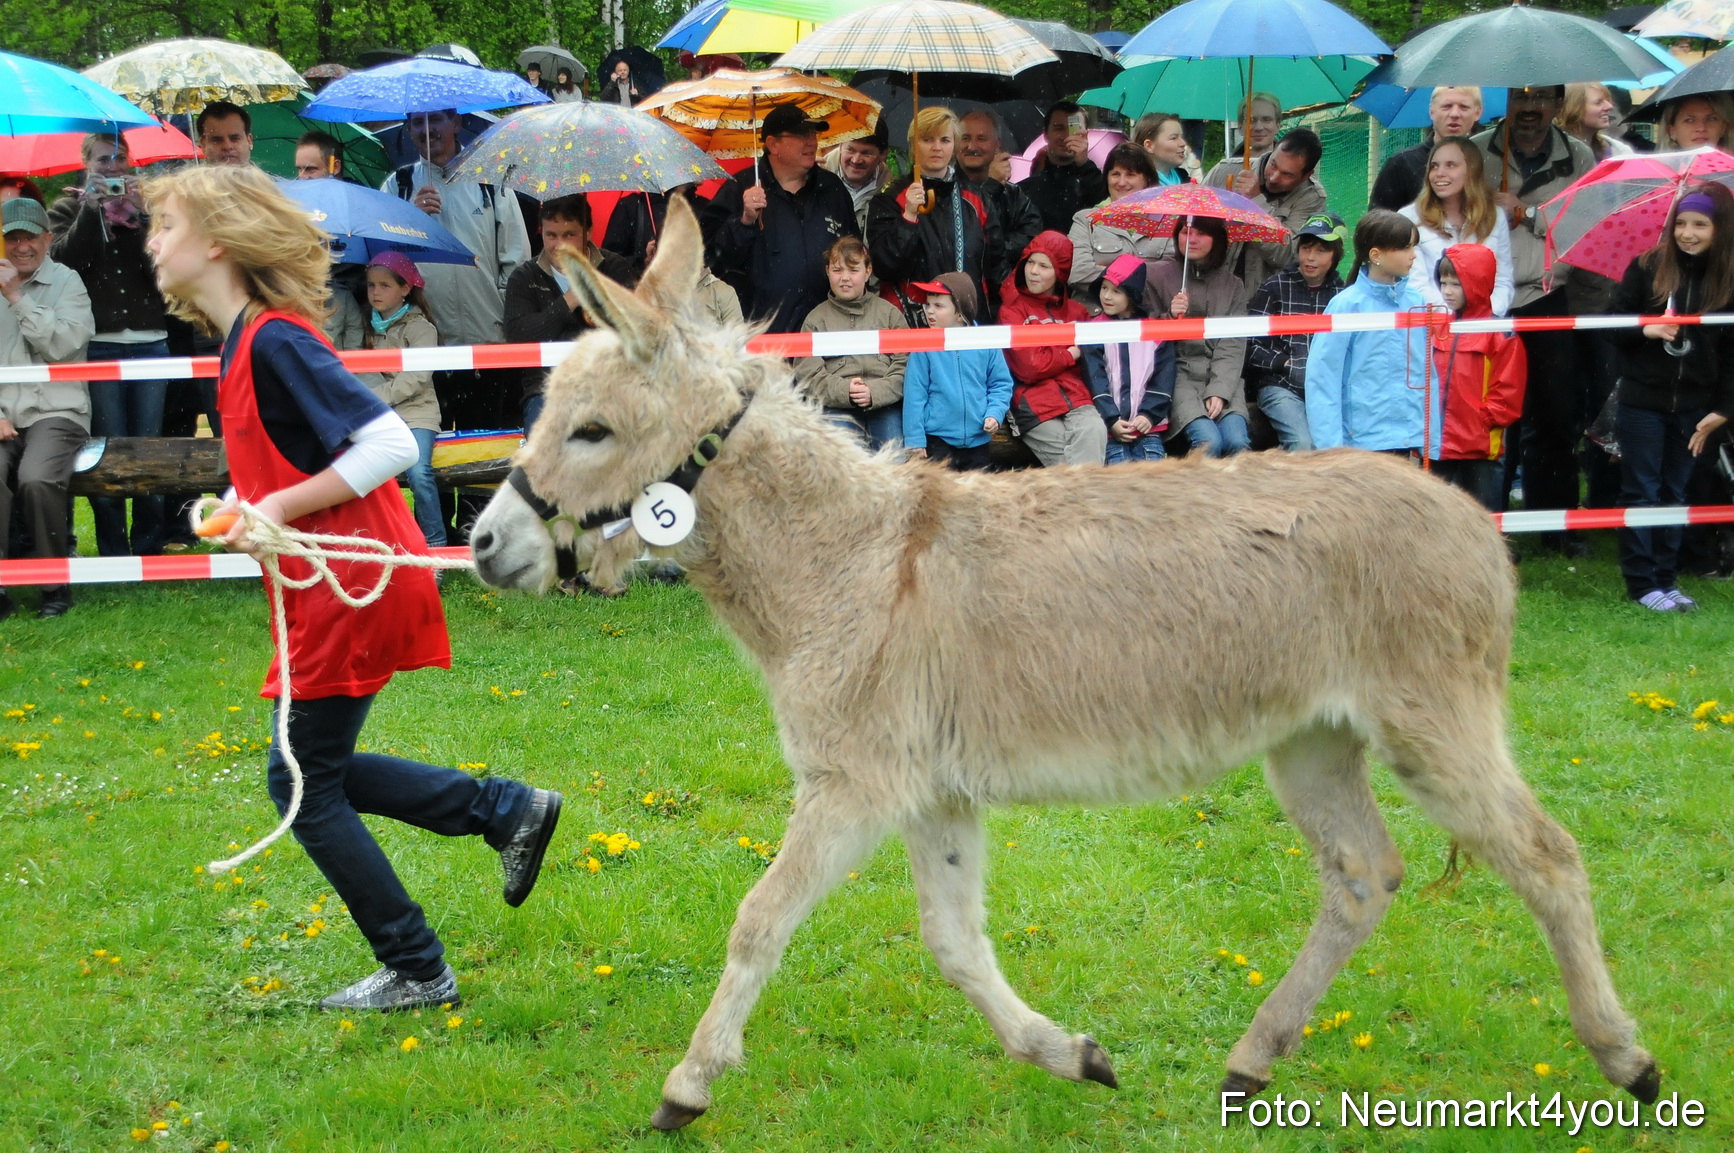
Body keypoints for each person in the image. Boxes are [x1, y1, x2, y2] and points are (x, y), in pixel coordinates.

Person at [142, 164, 562, 1011]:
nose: (151, 241)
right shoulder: (243, 343)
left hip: (350, 580)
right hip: (325, 581)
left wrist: (274, 506)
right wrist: (245, 509)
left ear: (216, 241)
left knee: (300, 780)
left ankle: (417, 962)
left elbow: (390, 445)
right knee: (313, 770)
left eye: (166, 226)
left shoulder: (275, 340)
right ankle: (503, 809)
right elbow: (296, 463)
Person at [1474, 87, 1596, 552]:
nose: (1529, 107)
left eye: (1541, 97)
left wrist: (1524, 214)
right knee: (1489, 419)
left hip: (1550, 297)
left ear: (1557, 101)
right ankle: (1487, 526)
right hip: (1488, 300)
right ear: (1505, 100)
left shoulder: (1579, 155)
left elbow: (1585, 223)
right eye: (1520, 95)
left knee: (1556, 417)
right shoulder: (1476, 150)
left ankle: (1556, 527)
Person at [1606, 186, 1734, 611]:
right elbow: (1608, 325)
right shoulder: (1646, 267)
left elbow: (1732, 355)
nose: (1688, 233)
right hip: (1642, 401)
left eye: (1700, 224)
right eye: (1680, 223)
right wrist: (1648, 328)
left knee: (1676, 493)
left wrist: (1722, 411)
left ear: (1720, 230)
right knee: (1641, 491)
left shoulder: (1728, 279)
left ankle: (1667, 579)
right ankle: (1643, 584)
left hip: (1695, 410)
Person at [47, 133, 172, 558]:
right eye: (103, 160)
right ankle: (114, 551)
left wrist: (140, 216)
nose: (112, 168)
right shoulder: (66, 208)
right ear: (86, 164)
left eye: (120, 159)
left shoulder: (149, 209)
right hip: (97, 345)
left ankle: (150, 547)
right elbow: (66, 262)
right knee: (106, 450)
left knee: (149, 447)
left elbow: (164, 267)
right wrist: (92, 211)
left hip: (152, 342)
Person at [384, 108, 531, 438]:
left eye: (435, 119)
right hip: (424, 349)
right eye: (416, 122)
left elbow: (516, 260)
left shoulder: (490, 181)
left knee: (485, 452)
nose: (426, 129)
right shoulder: (398, 187)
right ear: (408, 130)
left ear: (456, 123)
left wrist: (501, 318)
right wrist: (409, 218)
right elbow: (383, 266)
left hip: (487, 344)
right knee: (433, 456)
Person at [0, 197, 94, 620]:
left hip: (58, 410)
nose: (22, 247)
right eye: (12, 238)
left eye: (30, 237)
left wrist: (17, 298)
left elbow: (63, 347)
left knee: (36, 479)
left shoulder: (68, 282)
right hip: (3, 411)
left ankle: (54, 585)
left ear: (48, 238)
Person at [708, 103, 859, 334]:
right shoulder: (739, 188)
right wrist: (744, 221)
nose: (812, 142)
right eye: (801, 135)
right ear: (773, 144)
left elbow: (854, 251)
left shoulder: (832, 188)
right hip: (763, 335)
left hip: (829, 332)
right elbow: (712, 261)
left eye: (813, 134)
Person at [502, 194, 635, 431]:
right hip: (546, 389)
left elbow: (634, 328)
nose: (558, 245)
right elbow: (517, 336)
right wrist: (568, 302)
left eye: (569, 235)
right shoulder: (524, 277)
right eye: (551, 235)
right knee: (547, 460)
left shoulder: (615, 268)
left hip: (612, 385)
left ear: (588, 232)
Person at [1306, 210, 1432, 455]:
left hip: (1407, 438)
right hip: (1360, 444)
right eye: (1405, 248)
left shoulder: (1417, 303)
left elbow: (1428, 372)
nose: (1413, 255)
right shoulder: (1345, 305)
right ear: (1376, 255)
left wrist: (1428, 434)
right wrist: (1331, 448)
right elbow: (1322, 378)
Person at [868, 107, 997, 326]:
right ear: (913, 145)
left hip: (965, 322)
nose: (937, 147)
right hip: (908, 320)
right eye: (927, 139)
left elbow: (994, 266)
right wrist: (908, 216)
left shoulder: (976, 199)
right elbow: (884, 266)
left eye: (945, 140)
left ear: (955, 145)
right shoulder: (889, 197)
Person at [1428, 244, 1527, 512]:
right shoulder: (1437, 328)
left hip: (1480, 447)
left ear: (1477, 283)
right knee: (1436, 517)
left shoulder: (1500, 334)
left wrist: (1483, 421)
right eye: (1443, 282)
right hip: (1439, 444)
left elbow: (1508, 393)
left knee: (1483, 516)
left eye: (1456, 284)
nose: (1447, 291)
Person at [356, 251, 444, 547]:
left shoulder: (422, 328)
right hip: (378, 416)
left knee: (420, 474)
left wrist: (373, 397)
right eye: (371, 285)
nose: (376, 292)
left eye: (384, 285)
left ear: (405, 289)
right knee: (363, 475)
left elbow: (416, 378)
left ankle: (434, 547)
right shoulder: (363, 327)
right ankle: (380, 543)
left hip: (418, 414)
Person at [1144, 216, 1249, 457]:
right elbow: (1145, 336)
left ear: (1217, 239)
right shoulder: (1156, 276)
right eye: (1185, 231)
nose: (1191, 239)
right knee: (1208, 441)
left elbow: (1232, 345)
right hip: (1176, 376)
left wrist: (1220, 391)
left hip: (1223, 376)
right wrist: (1170, 315)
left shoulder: (1233, 285)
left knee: (1237, 441)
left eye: (1201, 233)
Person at [1245, 213, 1348, 453]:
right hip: (1280, 386)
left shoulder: (1342, 295)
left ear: (1336, 256)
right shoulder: (1274, 287)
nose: (1310, 257)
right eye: (1306, 248)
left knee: (1336, 448)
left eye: (1321, 250)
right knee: (1302, 444)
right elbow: (1249, 345)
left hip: (1326, 388)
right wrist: (1284, 363)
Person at [998, 231, 1103, 466]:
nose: (1033, 271)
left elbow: (1091, 362)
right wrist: (1070, 353)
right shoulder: (1012, 311)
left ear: (1060, 274)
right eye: (1030, 262)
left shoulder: (1078, 312)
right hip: (1033, 406)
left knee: (1095, 431)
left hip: (1078, 399)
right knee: (1080, 467)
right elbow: (1030, 367)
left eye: (1044, 266)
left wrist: (1048, 354)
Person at [796, 237, 908, 449]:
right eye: (837, 270)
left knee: (893, 466)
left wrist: (875, 391)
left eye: (853, 270)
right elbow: (807, 375)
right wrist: (845, 390)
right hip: (835, 408)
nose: (845, 278)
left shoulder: (890, 315)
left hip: (885, 406)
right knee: (844, 468)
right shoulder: (815, 320)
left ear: (868, 272)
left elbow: (906, 366)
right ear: (827, 271)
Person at [902, 271, 1013, 470]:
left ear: (960, 313)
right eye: (928, 305)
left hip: (978, 441)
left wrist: (994, 413)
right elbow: (914, 396)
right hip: (937, 442)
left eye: (938, 306)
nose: (929, 311)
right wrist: (915, 439)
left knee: (977, 497)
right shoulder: (922, 347)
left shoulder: (986, 342)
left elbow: (1000, 384)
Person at [1399, 137, 1513, 316]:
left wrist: (1487, 315)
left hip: (1485, 326)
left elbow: (1503, 280)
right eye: (1434, 166)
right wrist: (1458, 316)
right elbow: (1416, 285)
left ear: (1471, 171)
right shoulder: (1408, 218)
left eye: (1451, 165)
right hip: (1433, 328)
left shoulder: (1495, 215)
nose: (1439, 173)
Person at [1083, 253, 1173, 463]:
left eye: (1116, 291)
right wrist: (1111, 418)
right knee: (1120, 485)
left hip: (1148, 429)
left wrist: (1149, 415)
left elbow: (1163, 379)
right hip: (1111, 429)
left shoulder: (1156, 333)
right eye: (1104, 288)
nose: (1106, 296)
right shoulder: (1093, 330)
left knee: (1154, 482)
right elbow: (1095, 378)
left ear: (1132, 295)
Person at [1219, 128, 1328, 299]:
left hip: (1265, 300)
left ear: (1307, 175)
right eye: (1273, 165)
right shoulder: (1225, 170)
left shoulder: (1312, 197)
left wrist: (1255, 203)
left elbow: (1287, 255)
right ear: (1274, 149)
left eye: (1287, 175)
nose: (1274, 177)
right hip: (1216, 295)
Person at [955, 109, 1043, 305]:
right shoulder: (945, 190)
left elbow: (1032, 240)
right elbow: (966, 235)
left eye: (981, 139)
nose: (972, 146)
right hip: (958, 299)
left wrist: (996, 247)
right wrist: (991, 186)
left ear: (997, 145)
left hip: (1005, 299)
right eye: (965, 138)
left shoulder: (1014, 195)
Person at [1067, 142, 1169, 307]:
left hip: (1148, 321)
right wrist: (1140, 276)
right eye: (1115, 174)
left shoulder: (1167, 222)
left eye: (1130, 175)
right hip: (1096, 321)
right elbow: (1077, 274)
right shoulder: (1085, 220)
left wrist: (1106, 272)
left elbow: (1170, 277)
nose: (1122, 182)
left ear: (1147, 179)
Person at [1370, 87, 1483, 211]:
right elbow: (1377, 224)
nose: (1455, 114)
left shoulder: (1486, 160)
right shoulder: (1402, 163)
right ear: (1431, 112)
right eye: (1447, 106)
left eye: (1464, 107)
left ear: (1477, 113)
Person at [1018, 101, 1107, 233]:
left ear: (1086, 135)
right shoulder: (1026, 189)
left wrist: (1084, 164)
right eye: (1059, 128)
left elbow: (1104, 209)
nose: (1066, 136)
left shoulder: (1095, 181)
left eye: (1073, 128)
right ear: (1046, 134)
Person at [1204, 92, 1282, 189]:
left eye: (1266, 120)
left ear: (1278, 125)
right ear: (1240, 126)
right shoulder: (1220, 172)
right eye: (1251, 120)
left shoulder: (1292, 173)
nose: (1259, 127)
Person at [821, 124, 888, 234]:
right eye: (850, 150)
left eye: (866, 153)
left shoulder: (889, 195)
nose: (856, 160)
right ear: (841, 145)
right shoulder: (813, 178)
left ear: (883, 154)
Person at [1561, 83, 1634, 162]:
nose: (1609, 106)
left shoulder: (1620, 152)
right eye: (1598, 102)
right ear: (1575, 108)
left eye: (1607, 100)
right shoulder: (1552, 150)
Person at [1657, 93, 1734, 152]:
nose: (1701, 128)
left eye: (1711, 119)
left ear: (1723, 128)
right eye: (1690, 120)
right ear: (1672, 131)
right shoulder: (1657, 171)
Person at [1131, 112, 1190, 186]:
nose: (1183, 143)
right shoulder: (1134, 186)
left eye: (1181, 137)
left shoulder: (1187, 182)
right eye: (1174, 138)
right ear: (1149, 146)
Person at [196, 101, 254, 167]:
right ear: (203, 145)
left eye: (235, 139)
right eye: (217, 140)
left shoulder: (267, 177)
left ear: (249, 141)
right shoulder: (189, 177)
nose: (227, 146)